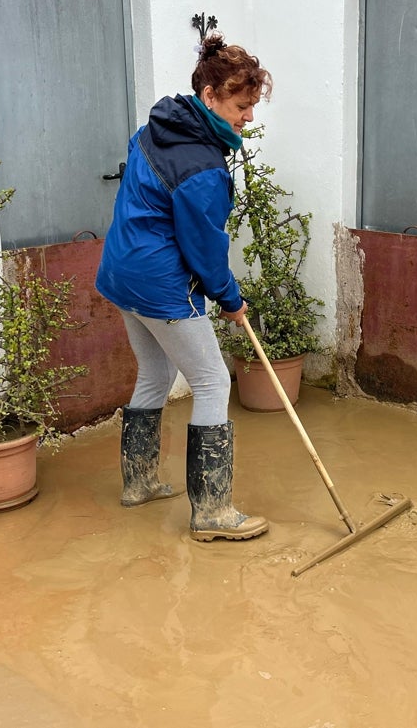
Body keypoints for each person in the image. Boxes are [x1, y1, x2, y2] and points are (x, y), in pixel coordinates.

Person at [95, 33, 271, 542]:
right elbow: (204, 247)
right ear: (211, 94)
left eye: (252, 106)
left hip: (122, 273)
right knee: (214, 382)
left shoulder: (155, 129)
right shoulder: (203, 168)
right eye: (242, 105)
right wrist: (230, 298)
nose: (249, 118)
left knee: (155, 372)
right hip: (160, 283)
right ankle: (212, 512)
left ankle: (139, 483)